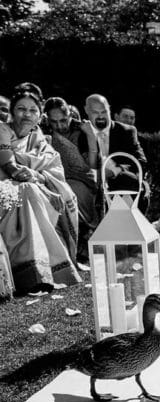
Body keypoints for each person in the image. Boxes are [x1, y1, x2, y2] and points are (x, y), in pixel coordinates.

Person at [0, 83, 81, 293]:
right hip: (6, 188)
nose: (27, 114)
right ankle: (32, 273)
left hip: (37, 190)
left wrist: (36, 176)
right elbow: (8, 167)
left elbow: (56, 171)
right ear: (12, 112)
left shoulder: (41, 142)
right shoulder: (3, 132)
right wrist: (37, 184)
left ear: (39, 116)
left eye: (32, 110)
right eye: (21, 109)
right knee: (28, 192)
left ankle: (45, 271)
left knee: (31, 191)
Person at [44, 96, 99, 260]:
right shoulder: (43, 133)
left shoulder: (81, 132)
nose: (60, 126)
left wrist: (91, 136)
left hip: (83, 180)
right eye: (54, 122)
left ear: (70, 115)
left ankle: (81, 236)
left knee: (70, 190)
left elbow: (93, 165)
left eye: (63, 120)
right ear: (48, 120)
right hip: (54, 179)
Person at [79, 94, 149, 214]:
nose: (101, 116)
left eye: (104, 112)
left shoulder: (127, 131)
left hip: (122, 182)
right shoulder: (83, 134)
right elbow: (88, 165)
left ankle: (132, 224)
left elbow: (141, 162)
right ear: (87, 111)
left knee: (128, 180)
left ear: (110, 110)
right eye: (95, 112)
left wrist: (115, 171)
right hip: (93, 182)